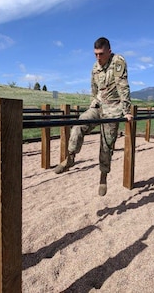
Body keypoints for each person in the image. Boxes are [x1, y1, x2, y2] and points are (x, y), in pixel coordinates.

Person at [55, 37, 132, 196]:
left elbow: (122, 86)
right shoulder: (95, 67)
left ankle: (103, 177)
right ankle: (70, 158)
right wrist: (93, 104)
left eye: (101, 54)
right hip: (99, 105)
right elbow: (94, 89)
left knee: (106, 143)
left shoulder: (118, 61)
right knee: (79, 124)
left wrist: (127, 111)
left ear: (109, 51)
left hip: (114, 107)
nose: (98, 57)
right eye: (95, 54)